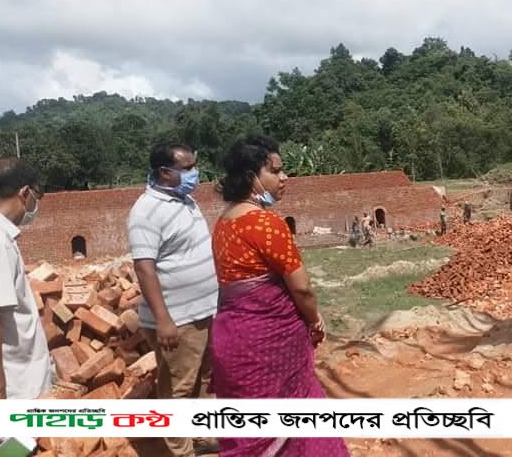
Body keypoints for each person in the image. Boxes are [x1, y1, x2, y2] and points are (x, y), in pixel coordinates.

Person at [210, 136, 349, 456]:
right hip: (270, 345)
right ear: (252, 177)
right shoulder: (266, 224)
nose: (284, 177)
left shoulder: (223, 222)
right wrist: (314, 320)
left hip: (232, 341)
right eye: (275, 171)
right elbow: (302, 288)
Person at [127, 143, 219, 457]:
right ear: (165, 172)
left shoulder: (185, 200)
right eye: (188, 168)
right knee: (178, 388)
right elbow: (144, 268)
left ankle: (201, 437)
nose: (195, 173)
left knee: (203, 378)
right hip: (178, 319)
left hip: (203, 312)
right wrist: (164, 319)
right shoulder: (145, 212)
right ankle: (181, 451)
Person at [0, 158, 54, 399]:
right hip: (15, 387)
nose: (35, 205)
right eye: (36, 197)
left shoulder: (1, 236)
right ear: (25, 193)